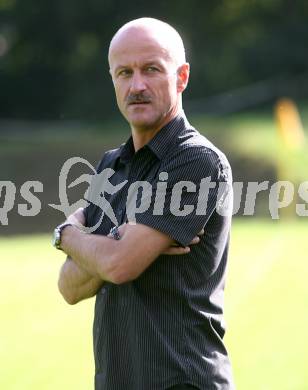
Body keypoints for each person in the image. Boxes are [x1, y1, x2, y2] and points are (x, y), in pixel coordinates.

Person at [54, 17, 235, 390]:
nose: (137, 85)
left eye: (151, 69)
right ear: (113, 81)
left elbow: (119, 265)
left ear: (181, 77)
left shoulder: (195, 161)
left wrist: (67, 234)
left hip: (182, 381)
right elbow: (69, 288)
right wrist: (116, 244)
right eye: (124, 72)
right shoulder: (111, 166)